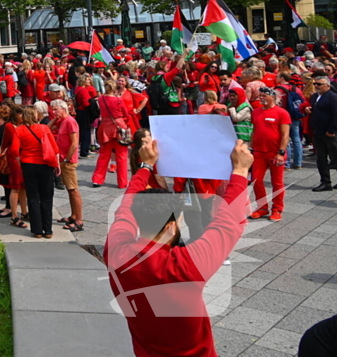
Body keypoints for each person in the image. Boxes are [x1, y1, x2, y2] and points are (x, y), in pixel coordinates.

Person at [105, 135, 252, 357]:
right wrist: (240, 171)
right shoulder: (185, 265)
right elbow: (227, 222)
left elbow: (125, 208)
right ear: (171, 226)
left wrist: (145, 166)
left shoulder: (117, 253)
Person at [18, 106, 61, 238]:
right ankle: (47, 230)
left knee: (33, 197)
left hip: (28, 164)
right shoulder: (44, 128)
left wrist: (20, 159)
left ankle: (37, 230)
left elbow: (14, 150)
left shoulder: (19, 130)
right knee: (47, 197)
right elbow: (55, 149)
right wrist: (57, 165)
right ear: (36, 116)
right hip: (45, 165)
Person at [249, 87, 290, 221]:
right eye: (260, 95)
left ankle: (277, 209)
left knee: (277, 182)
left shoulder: (282, 113)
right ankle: (262, 207)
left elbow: (285, 135)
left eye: (264, 96)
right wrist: (251, 147)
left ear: (273, 97)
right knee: (256, 180)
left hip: (275, 153)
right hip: (259, 152)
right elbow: (254, 131)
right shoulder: (255, 113)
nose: (261, 98)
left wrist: (281, 152)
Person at [50, 99, 83, 232]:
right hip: (63, 160)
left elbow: (74, 143)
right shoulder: (62, 121)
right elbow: (46, 129)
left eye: (56, 109)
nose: (53, 112)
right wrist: (55, 119)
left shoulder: (69, 121)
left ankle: (79, 220)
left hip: (68, 161)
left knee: (73, 190)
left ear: (64, 109)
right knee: (70, 190)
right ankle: (73, 215)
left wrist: (67, 159)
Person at [93, 82, 129, 188]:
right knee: (122, 156)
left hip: (105, 127)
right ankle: (122, 182)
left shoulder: (101, 99)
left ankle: (97, 179)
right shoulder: (118, 99)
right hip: (120, 126)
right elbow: (126, 114)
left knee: (104, 155)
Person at [308, 74, 337, 192]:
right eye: (315, 84)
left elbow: (336, 116)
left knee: (335, 157)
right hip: (318, 131)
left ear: (327, 85)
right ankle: (325, 182)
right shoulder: (315, 96)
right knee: (321, 158)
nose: (316, 86)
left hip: (329, 133)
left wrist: (331, 131)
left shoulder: (333, 97)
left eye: (319, 84)